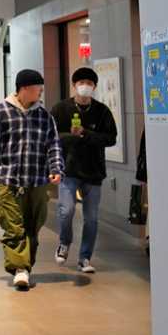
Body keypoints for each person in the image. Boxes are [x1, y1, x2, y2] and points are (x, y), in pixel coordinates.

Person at [0, 69, 63, 291]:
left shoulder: (44, 116)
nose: (41, 92)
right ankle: (20, 269)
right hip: (8, 180)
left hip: (37, 181)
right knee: (13, 227)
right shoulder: (0, 113)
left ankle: (25, 266)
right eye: (38, 88)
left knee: (32, 228)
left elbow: (53, 145)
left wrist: (56, 168)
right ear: (25, 88)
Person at [51, 66, 118, 274]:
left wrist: (86, 134)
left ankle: (85, 258)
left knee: (91, 218)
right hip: (68, 169)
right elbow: (51, 137)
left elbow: (111, 138)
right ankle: (64, 243)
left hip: (93, 171)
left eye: (89, 83)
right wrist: (72, 137)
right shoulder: (60, 109)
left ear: (94, 87)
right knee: (66, 210)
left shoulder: (102, 111)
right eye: (81, 83)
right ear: (74, 85)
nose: (85, 86)